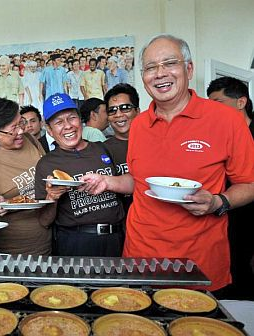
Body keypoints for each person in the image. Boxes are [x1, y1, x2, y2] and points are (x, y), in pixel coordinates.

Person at [81, 34, 254, 294]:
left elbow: (249, 183)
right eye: (151, 67)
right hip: (140, 256)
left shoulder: (227, 119)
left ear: (189, 68)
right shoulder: (138, 125)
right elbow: (140, 181)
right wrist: (107, 182)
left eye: (170, 63)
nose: (160, 74)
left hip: (199, 260)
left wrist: (219, 202)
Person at [35, 93, 125, 257]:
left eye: (72, 118)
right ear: (49, 129)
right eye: (59, 122)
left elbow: (127, 186)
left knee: (118, 284)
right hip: (75, 242)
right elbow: (44, 221)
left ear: (80, 120)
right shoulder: (46, 164)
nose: (68, 126)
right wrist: (51, 198)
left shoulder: (103, 149)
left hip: (117, 238)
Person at [0, 98, 54, 255]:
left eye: (21, 123)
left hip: (48, 235)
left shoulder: (30, 139)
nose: (21, 131)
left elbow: (49, 172)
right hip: (13, 245)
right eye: (13, 128)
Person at [207, 76, 254, 300]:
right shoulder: (216, 135)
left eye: (218, 103)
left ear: (241, 102)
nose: (212, 110)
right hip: (225, 215)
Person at [103, 83, 140, 216]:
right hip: (120, 224)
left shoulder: (153, 143)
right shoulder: (102, 150)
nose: (118, 114)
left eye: (125, 108)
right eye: (112, 110)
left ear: (137, 111)